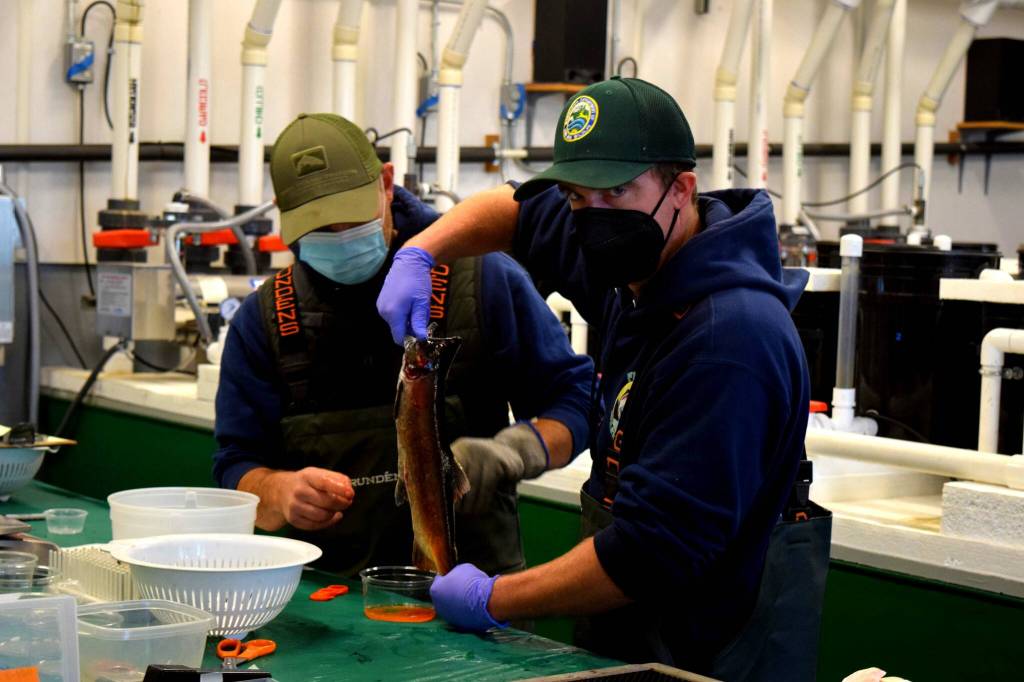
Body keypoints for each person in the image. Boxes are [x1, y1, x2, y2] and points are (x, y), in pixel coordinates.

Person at [376, 77, 829, 680]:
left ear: (682, 189)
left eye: (616, 189)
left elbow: (647, 554)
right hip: (632, 643)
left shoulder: (728, 342)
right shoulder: (632, 262)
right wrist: (424, 250)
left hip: (704, 657)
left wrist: (494, 599)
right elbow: (514, 211)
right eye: (574, 196)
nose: (591, 217)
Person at [212, 113, 593, 578]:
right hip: (331, 608)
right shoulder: (268, 318)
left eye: (351, 219)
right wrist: (278, 491)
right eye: (318, 228)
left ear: (387, 184)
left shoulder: (482, 279)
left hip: (475, 599)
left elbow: (576, 401)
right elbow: (235, 463)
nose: (339, 238)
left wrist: (515, 451)